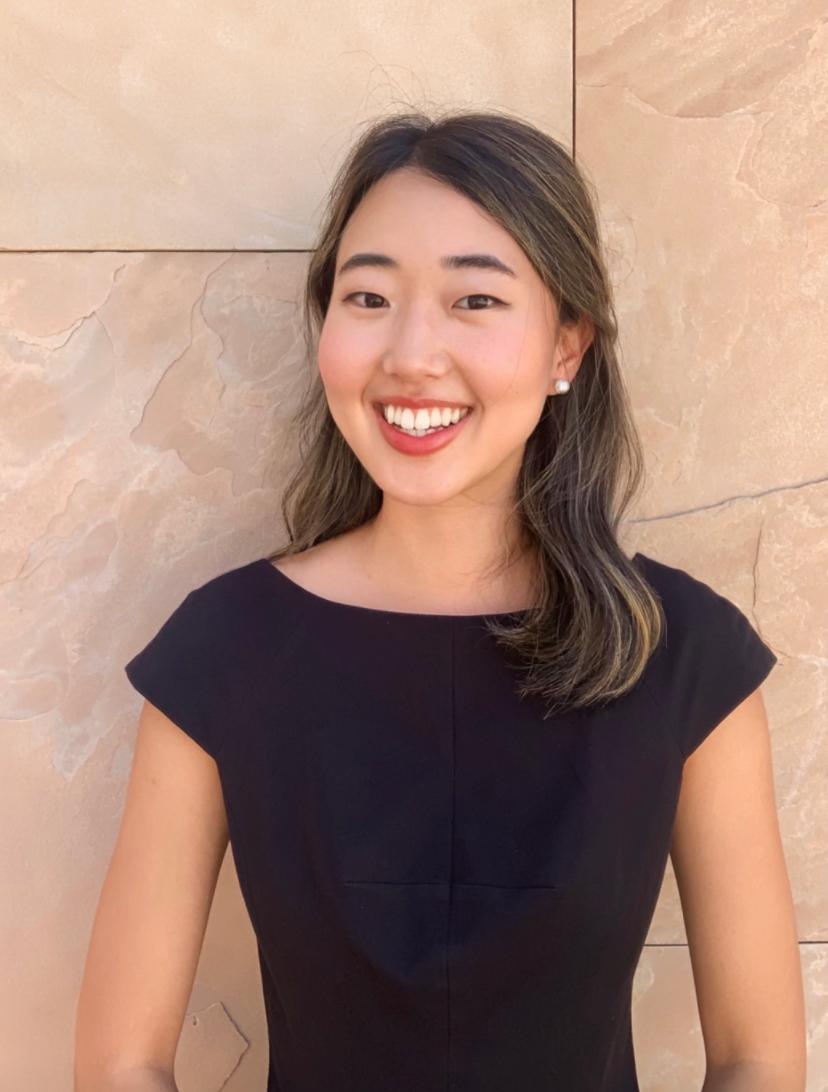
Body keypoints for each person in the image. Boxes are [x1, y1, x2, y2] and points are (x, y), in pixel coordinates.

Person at [74, 108, 805, 1092]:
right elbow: (121, 1063)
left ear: (567, 346)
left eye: (475, 299)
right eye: (369, 296)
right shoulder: (225, 651)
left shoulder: (681, 655)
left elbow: (759, 1060)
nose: (412, 354)